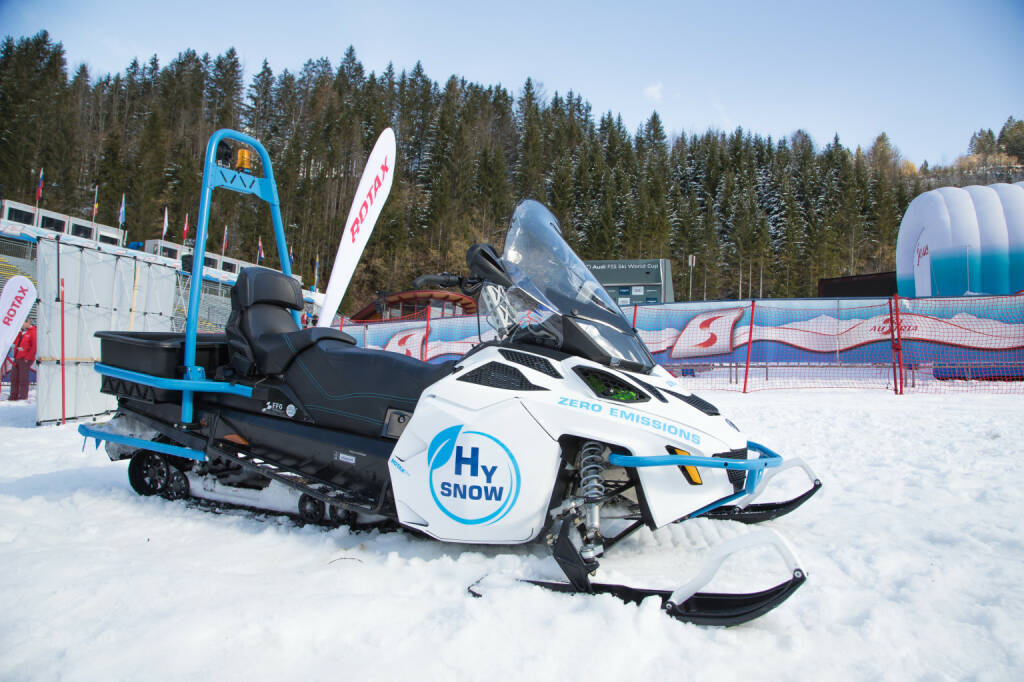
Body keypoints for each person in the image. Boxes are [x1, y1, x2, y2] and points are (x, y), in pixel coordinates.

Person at [8, 318, 36, 401]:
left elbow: (34, 347)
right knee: (14, 377)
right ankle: (13, 395)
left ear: (28, 321)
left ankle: (23, 396)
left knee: (23, 378)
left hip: (25, 358)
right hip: (17, 357)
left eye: (22, 323)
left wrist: (28, 358)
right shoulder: (22, 333)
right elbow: (15, 342)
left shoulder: (33, 332)